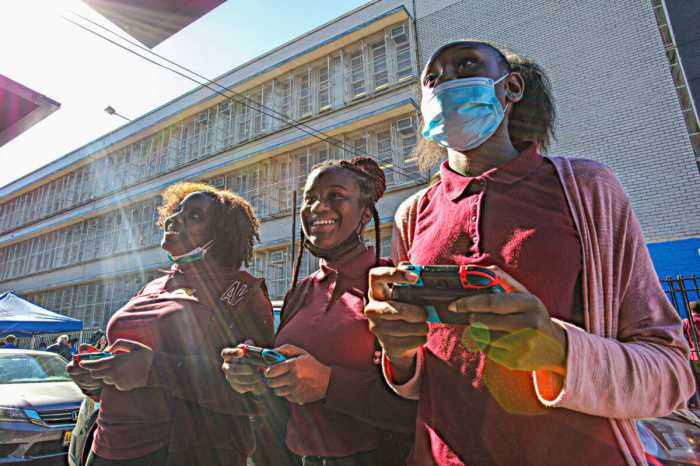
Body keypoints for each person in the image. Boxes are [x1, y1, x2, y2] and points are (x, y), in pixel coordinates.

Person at [364, 39, 696, 466]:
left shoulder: (587, 189)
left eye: (466, 66)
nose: (446, 83)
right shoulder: (412, 214)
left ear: (512, 88)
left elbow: (672, 372)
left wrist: (560, 351)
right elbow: (420, 377)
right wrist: (398, 353)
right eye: (433, 78)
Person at [223, 157, 417, 466]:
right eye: (309, 198)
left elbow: (421, 407)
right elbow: (289, 399)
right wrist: (258, 379)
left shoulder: (394, 285)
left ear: (365, 214)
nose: (318, 207)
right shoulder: (299, 292)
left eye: (335, 196)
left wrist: (330, 384)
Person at [66, 182, 274, 466]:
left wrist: (155, 369)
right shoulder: (151, 286)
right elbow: (121, 373)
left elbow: (258, 394)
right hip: (106, 449)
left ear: (222, 233)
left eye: (194, 216)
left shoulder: (241, 291)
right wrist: (94, 379)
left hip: (187, 452)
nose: (175, 220)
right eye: (177, 211)